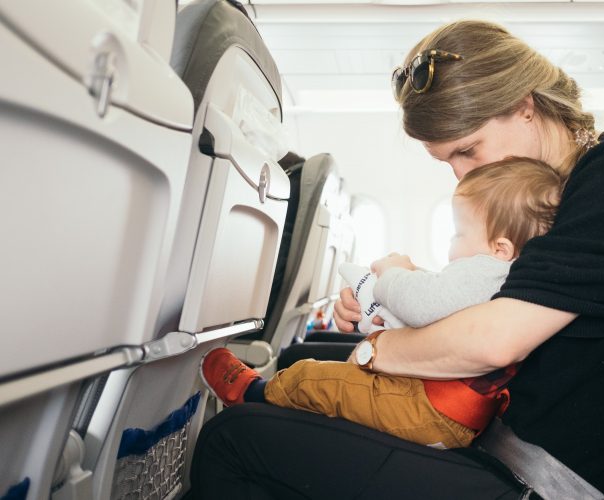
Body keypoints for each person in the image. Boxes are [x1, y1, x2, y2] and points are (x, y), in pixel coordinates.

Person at [189, 19, 604, 499]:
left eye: (468, 150)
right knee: (302, 370)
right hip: (487, 440)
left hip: (543, 477)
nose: (461, 175)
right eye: (447, 161)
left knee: (233, 440)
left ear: (525, 105)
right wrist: (386, 302)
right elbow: (492, 295)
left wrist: (378, 349)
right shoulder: (537, 195)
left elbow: (492, 341)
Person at [200, 157, 564, 450]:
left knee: (315, 377)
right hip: (445, 409)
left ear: (500, 247)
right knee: (340, 383)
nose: (453, 245)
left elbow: (423, 304)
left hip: (431, 408)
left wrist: (393, 273)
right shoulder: (505, 274)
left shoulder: (487, 269)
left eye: (458, 234)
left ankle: (253, 395)